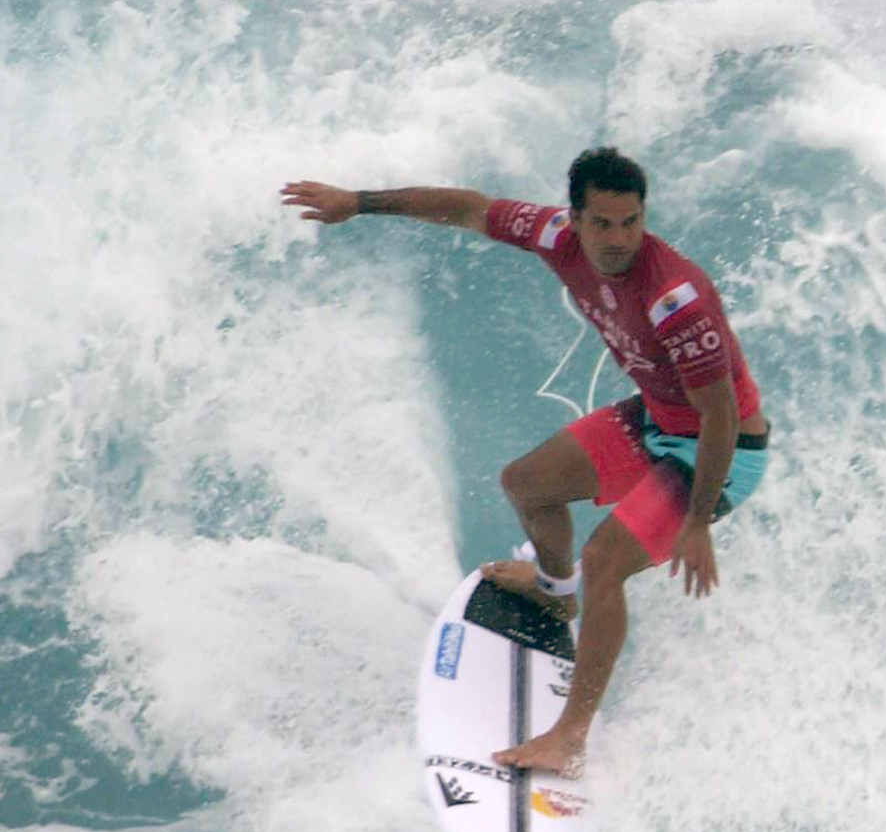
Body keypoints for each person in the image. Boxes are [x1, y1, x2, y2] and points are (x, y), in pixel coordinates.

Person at [280, 148, 769, 774]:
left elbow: (722, 416)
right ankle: (555, 594)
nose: (619, 238)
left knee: (606, 564)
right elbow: (469, 208)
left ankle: (569, 738)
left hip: (717, 451)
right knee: (528, 484)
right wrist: (361, 202)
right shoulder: (553, 236)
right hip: (657, 418)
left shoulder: (675, 299)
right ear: (576, 218)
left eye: (632, 221)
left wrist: (697, 522)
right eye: (604, 223)